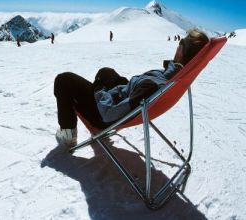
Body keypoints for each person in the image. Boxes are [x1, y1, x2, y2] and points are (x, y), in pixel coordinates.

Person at [53, 28, 209, 146]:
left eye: (180, 42)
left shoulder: (154, 85)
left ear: (181, 50)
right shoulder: (173, 77)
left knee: (63, 80)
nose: (177, 45)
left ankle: (68, 135)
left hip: (105, 115)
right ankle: (104, 86)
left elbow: (109, 114)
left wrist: (99, 89)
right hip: (127, 96)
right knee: (106, 72)